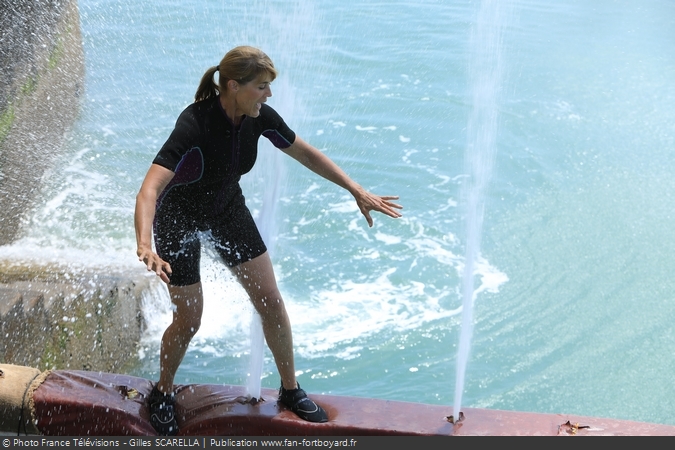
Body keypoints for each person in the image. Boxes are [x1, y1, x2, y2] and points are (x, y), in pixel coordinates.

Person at [134, 46, 402, 436]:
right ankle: (162, 392)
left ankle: (290, 390)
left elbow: (304, 153)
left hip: (227, 210)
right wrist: (145, 244)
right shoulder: (194, 124)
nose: (269, 95)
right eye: (262, 87)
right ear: (233, 86)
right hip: (179, 221)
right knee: (190, 319)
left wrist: (355, 190)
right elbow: (149, 190)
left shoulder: (258, 117)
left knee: (271, 301)